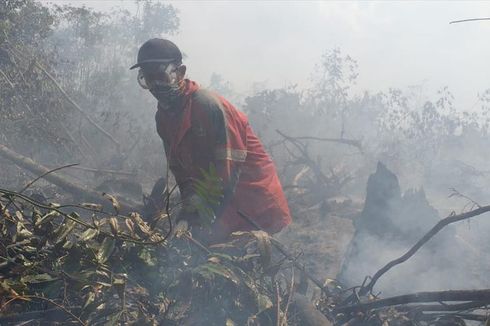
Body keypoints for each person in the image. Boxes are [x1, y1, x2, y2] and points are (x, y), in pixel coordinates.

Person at [131, 38, 291, 243]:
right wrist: (188, 211)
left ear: (179, 73)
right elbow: (180, 171)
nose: (155, 86)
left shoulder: (208, 106)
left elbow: (228, 171)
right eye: (148, 79)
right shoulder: (163, 117)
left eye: (160, 76)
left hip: (254, 204)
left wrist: (203, 220)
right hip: (220, 200)